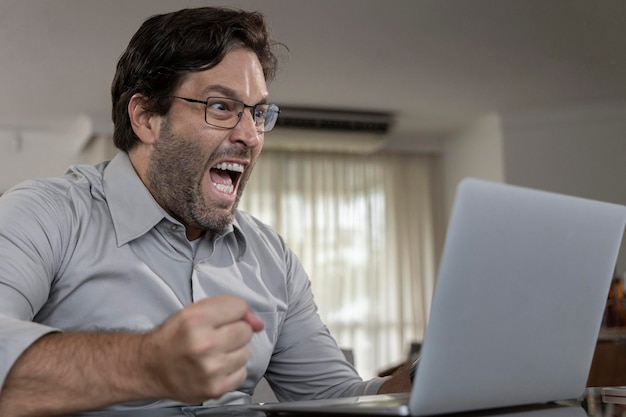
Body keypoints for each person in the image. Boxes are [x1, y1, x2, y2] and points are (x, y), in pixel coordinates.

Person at [0, 6, 412, 416]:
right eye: (220, 107)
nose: (250, 136)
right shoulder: (45, 215)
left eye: (257, 113)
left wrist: (435, 370)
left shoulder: (273, 257)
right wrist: (150, 365)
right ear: (146, 118)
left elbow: (337, 396)